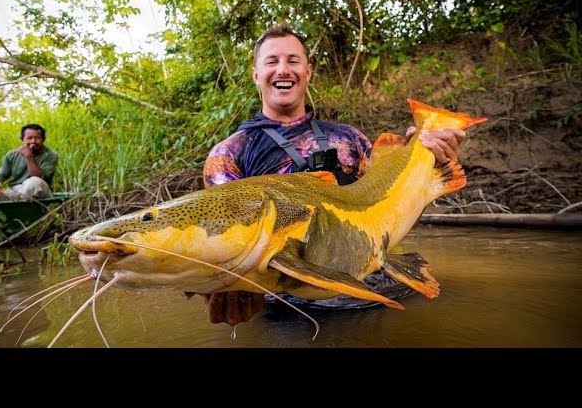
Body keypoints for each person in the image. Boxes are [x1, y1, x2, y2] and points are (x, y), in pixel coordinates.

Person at [190, 23, 466, 326]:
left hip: (376, 290)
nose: (283, 69)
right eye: (272, 61)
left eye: (293, 60)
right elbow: (222, 240)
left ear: (308, 71)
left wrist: (430, 163)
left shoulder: (350, 138)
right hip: (293, 310)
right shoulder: (228, 154)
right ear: (256, 74)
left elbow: (391, 212)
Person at [0, 124, 59, 203]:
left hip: (40, 191)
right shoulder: (12, 155)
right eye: (29, 138)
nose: (33, 141)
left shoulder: (50, 155)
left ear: (43, 140)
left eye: (37, 138)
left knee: (34, 182)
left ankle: (22, 209)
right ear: (22, 139)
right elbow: (1, 177)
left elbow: (39, 177)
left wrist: (29, 156)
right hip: (16, 191)